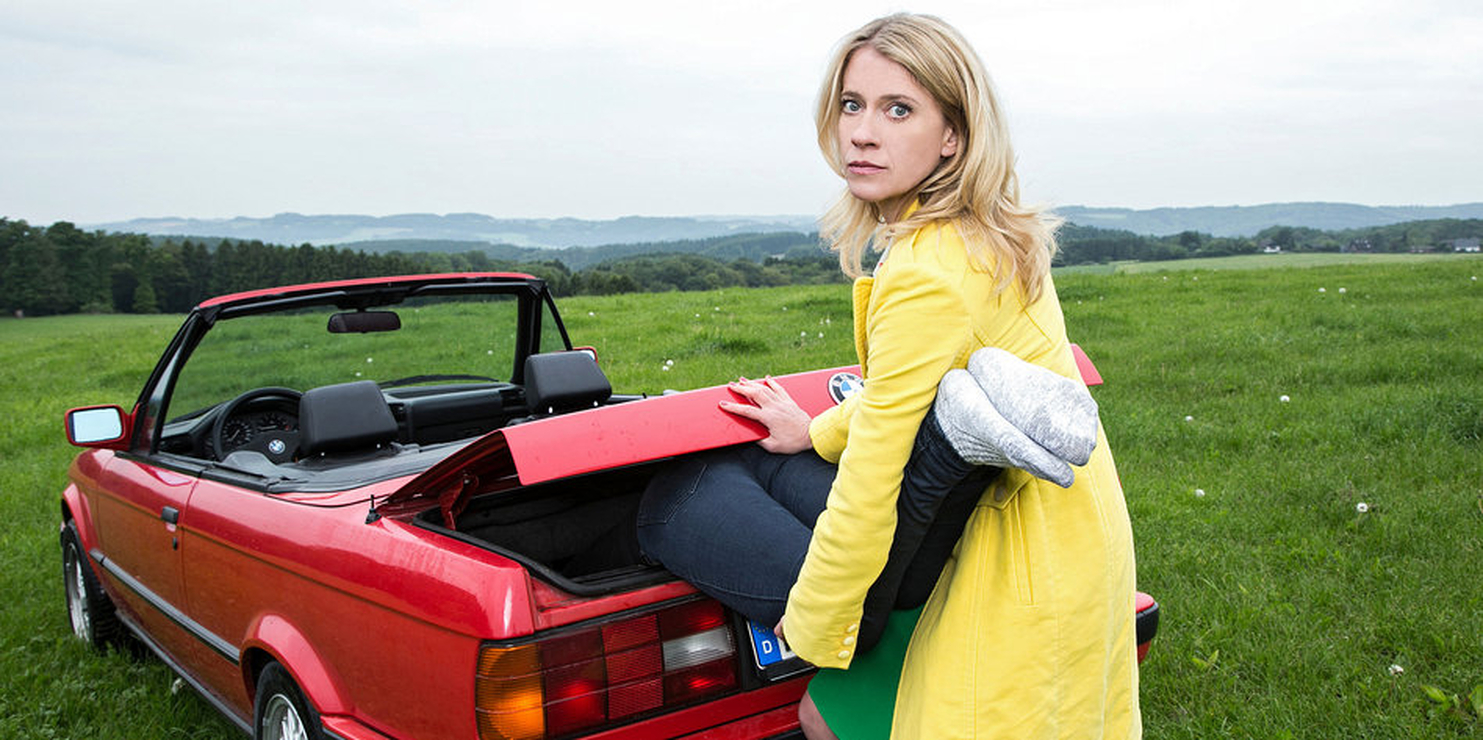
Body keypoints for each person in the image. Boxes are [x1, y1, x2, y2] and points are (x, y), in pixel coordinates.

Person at [638, 13, 1140, 739]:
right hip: (1064, 528)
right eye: (852, 105)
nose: (862, 133)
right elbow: (900, 395)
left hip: (1006, 556)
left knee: (669, 505)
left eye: (897, 109)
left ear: (952, 136)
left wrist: (823, 623)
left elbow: (873, 473)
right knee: (826, 715)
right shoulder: (985, 234)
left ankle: (875, 594)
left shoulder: (926, 270)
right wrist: (813, 429)